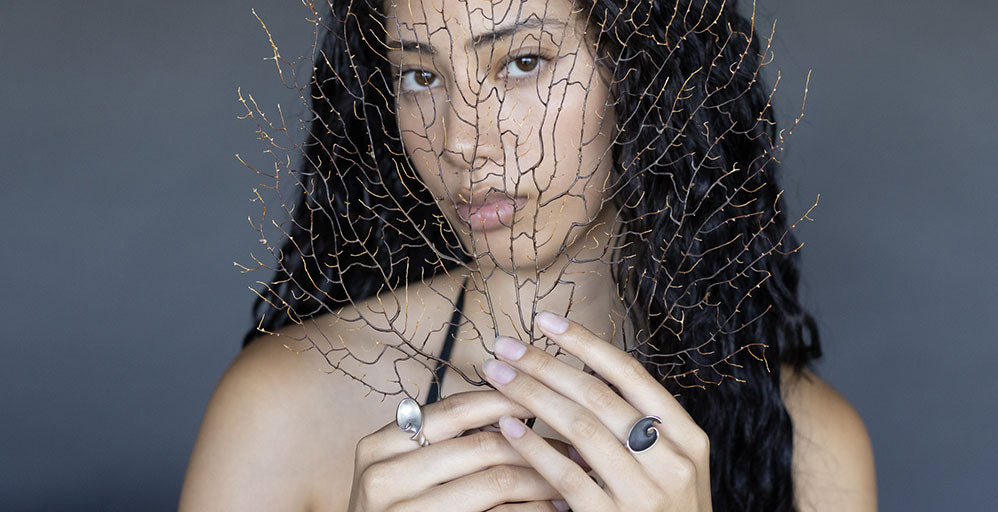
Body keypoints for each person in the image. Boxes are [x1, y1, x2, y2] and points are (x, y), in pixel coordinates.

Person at [180, 0, 877, 510]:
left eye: (520, 62)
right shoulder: (283, 411)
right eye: (420, 77)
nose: (459, 140)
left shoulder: (809, 446)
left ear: (647, 73)